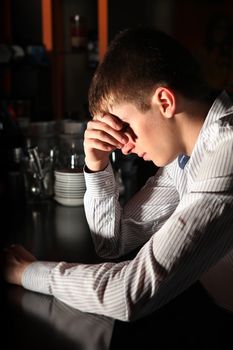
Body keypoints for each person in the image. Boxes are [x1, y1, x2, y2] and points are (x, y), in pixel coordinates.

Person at [2, 27, 233, 327]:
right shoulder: (184, 158)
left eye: (125, 126)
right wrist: (96, 165)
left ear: (164, 101)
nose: (123, 145)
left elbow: (128, 293)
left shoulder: (226, 151)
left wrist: (27, 272)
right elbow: (112, 243)